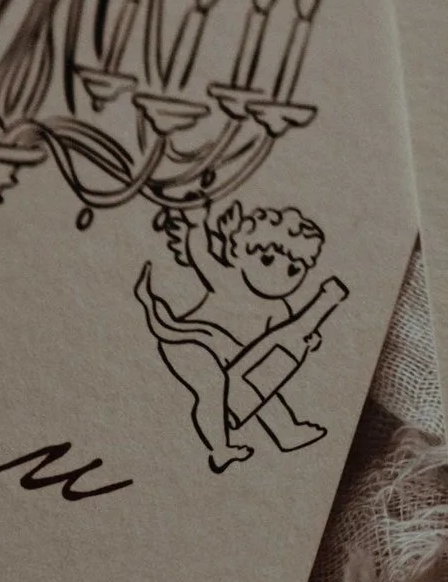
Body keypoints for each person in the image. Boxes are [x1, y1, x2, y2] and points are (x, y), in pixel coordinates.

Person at [135, 197, 347, 471]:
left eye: (294, 269)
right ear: (239, 252)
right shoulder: (226, 277)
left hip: (229, 352)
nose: (279, 276)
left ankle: (285, 431)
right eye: (268, 259)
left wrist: (310, 339)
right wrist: (198, 223)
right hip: (190, 341)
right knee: (213, 387)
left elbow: (280, 345)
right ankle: (219, 448)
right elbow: (200, 252)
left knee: (264, 380)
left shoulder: (280, 308)